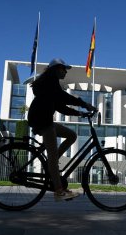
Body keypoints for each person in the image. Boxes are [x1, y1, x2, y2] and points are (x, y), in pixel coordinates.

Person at [27, 58, 96, 201]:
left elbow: (61, 107)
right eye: (64, 69)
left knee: (71, 135)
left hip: (44, 119)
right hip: (42, 120)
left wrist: (80, 113)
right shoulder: (50, 82)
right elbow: (65, 97)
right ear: (57, 69)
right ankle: (58, 191)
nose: (66, 72)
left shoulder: (51, 84)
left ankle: (52, 164)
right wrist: (84, 104)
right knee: (52, 156)